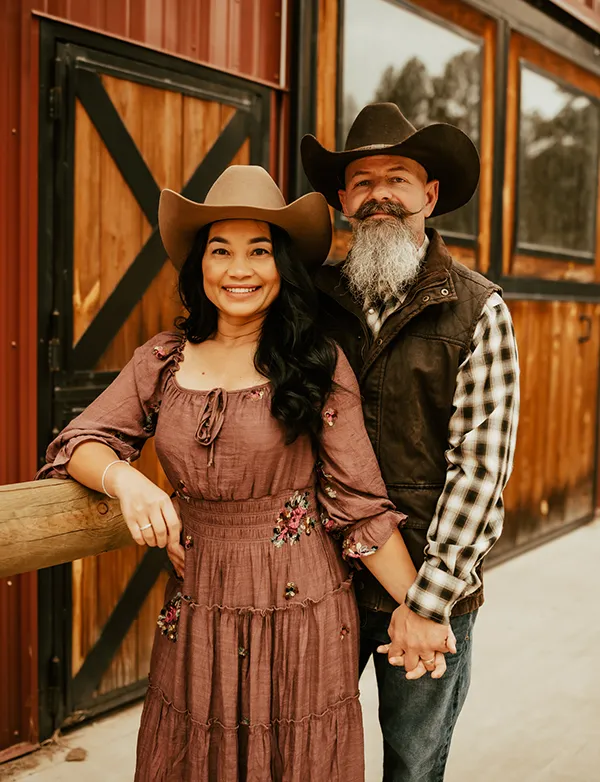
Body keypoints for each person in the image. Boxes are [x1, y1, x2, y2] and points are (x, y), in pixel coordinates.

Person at [36, 165, 446, 782]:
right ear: (199, 265)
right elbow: (81, 442)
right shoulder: (162, 359)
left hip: (300, 608)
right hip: (199, 604)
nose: (239, 270)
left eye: (259, 251)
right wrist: (130, 481)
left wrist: (421, 608)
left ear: (282, 266)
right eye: (220, 250)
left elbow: (360, 504)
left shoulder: (315, 361)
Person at [301, 102, 520, 781]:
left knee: (413, 764)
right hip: (318, 578)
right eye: (363, 181)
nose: (380, 195)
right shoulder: (308, 303)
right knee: (308, 756)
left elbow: (480, 470)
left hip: (426, 584)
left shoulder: (479, 308)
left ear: (428, 196)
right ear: (343, 200)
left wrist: (427, 604)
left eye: (398, 177)